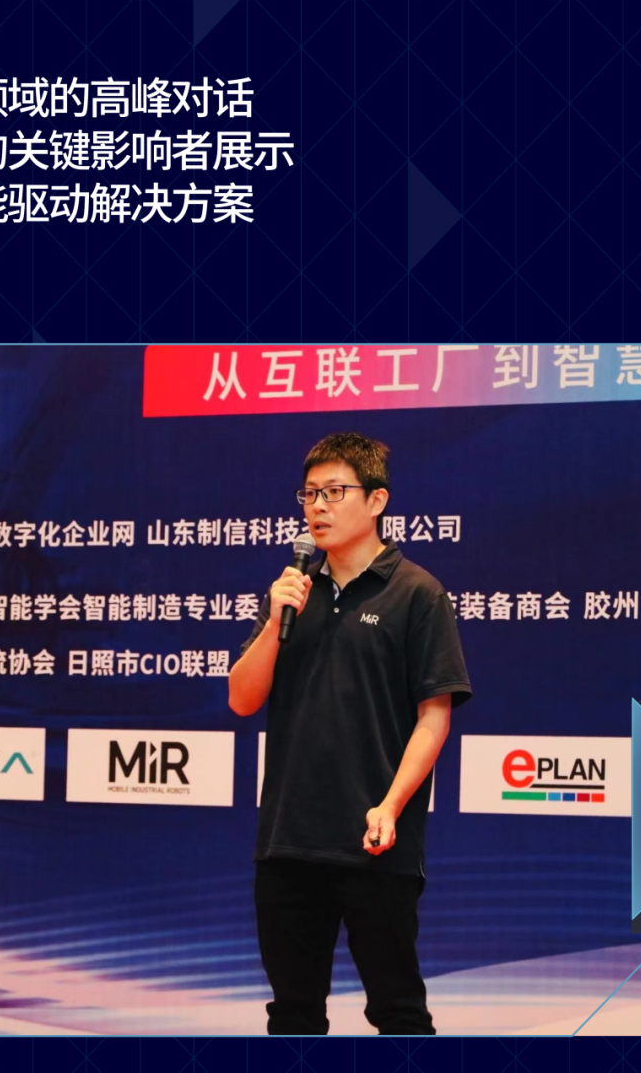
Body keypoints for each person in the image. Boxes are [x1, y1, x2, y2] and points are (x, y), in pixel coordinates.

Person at [228, 431, 472, 1036]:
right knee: (292, 1015)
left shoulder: (416, 592)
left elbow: (434, 716)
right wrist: (275, 620)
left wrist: (391, 805)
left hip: (374, 841)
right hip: (288, 840)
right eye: (309, 494)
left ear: (377, 500)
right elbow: (241, 698)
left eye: (335, 492)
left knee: (398, 1012)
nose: (318, 507)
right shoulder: (292, 591)